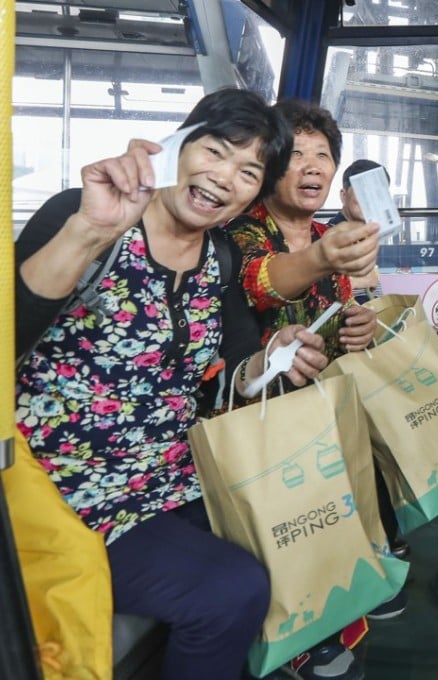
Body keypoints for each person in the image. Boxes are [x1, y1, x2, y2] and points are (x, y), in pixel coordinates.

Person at [14, 87, 331, 680]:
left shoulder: (222, 258)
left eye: (247, 172)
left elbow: (237, 364)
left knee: (296, 531)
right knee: (231, 590)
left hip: (173, 477)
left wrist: (272, 357)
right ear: (180, 146)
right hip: (67, 492)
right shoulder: (82, 217)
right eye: (214, 152)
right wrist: (88, 231)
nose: (222, 179)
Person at [224, 99, 407, 679]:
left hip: (327, 404)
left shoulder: (333, 233)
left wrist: (360, 324)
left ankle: (347, 595)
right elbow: (261, 282)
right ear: (271, 163)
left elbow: (353, 309)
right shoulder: (241, 232)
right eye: (295, 153)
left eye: (322, 155)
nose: (311, 166)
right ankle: (302, 631)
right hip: (260, 411)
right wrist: (324, 257)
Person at [328, 158, 389, 302]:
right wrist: (355, 281)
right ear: (343, 196)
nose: (370, 200)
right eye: (362, 192)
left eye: (379, 193)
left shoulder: (368, 235)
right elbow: (311, 291)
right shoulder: (328, 235)